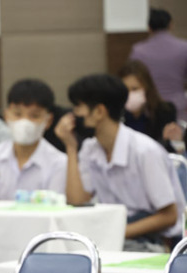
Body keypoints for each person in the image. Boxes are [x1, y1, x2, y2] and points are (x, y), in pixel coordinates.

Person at [56, 74, 185, 251]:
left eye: (78, 107)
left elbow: (169, 216)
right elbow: (76, 200)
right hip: (113, 233)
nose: (73, 115)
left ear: (99, 111)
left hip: (151, 240)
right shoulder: (90, 148)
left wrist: (116, 233)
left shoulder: (145, 151)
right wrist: (70, 147)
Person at [0, 79, 66, 200]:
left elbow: (55, 208)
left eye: (34, 116)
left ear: (48, 120)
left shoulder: (59, 163)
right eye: (17, 114)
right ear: (6, 115)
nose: (24, 122)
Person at [130, 8, 187, 122]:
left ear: (149, 28)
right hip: (179, 108)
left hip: (149, 109)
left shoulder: (138, 51)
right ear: (171, 25)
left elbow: (131, 80)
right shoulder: (184, 48)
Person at [119, 59, 182, 153]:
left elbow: (173, 151)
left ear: (146, 87)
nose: (129, 94)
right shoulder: (115, 114)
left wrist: (176, 142)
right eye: (125, 90)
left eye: (134, 89)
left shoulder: (165, 111)